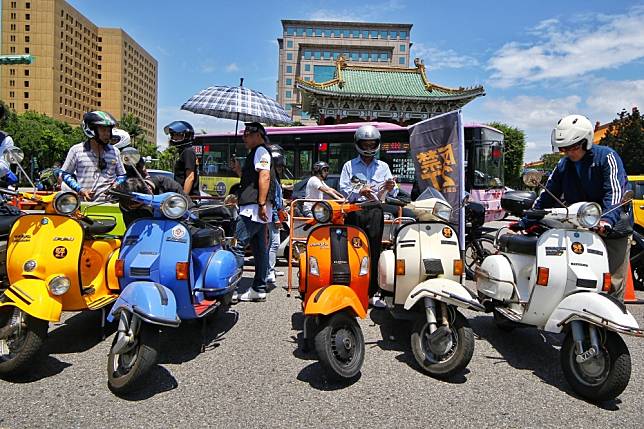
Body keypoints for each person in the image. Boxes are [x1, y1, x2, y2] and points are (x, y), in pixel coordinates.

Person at [512, 114, 633, 301]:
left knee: (610, 283)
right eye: (563, 148)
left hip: (612, 228)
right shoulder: (563, 165)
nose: (568, 152)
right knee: (573, 276)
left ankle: (610, 325)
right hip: (579, 228)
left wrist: (606, 221)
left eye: (573, 147)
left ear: (586, 142)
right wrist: (525, 221)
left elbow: (615, 193)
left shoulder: (607, 157)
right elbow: (547, 195)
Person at [339, 124, 398, 308]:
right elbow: (344, 189)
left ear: (377, 144)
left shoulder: (383, 166)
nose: (368, 148)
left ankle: (372, 293)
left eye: (372, 144)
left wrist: (390, 188)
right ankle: (351, 290)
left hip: (375, 211)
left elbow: (393, 192)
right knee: (352, 251)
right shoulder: (349, 165)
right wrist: (359, 191)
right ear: (358, 144)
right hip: (355, 211)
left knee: (373, 251)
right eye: (365, 144)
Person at [229, 122, 274, 302]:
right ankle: (259, 288)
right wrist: (239, 169)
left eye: (247, 134)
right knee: (259, 248)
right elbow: (251, 180)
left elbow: (265, 176)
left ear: (258, 135)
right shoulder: (255, 153)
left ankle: (231, 288)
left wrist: (262, 203)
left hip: (253, 208)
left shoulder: (261, 151)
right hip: (256, 207)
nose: (244, 137)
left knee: (237, 246)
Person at [59, 111, 126, 201]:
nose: (107, 134)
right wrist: (80, 190)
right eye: (103, 130)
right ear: (91, 130)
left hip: (109, 204)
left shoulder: (115, 151)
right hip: (84, 205)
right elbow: (65, 174)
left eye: (109, 130)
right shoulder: (76, 150)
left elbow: (122, 175)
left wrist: (115, 185)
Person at [267, 144, 289, 284]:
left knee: (272, 243)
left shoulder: (275, 179)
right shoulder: (272, 180)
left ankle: (271, 269)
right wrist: (276, 218)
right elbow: (272, 201)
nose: (281, 169)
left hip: (276, 214)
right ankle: (269, 271)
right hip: (272, 216)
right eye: (279, 166)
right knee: (274, 243)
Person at [164, 120, 200, 196]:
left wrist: (183, 197)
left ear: (186, 135)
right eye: (173, 135)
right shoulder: (183, 151)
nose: (174, 137)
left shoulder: (188, 151)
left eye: (177, 135)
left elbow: (190, 177)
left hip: (189, 198)